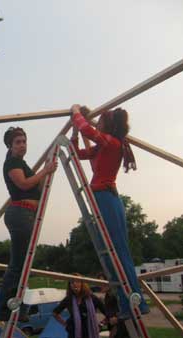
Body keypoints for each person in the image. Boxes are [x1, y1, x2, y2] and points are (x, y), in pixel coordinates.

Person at [70, 104, 149, 318]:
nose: (98, 123)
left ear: (108, 125)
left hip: (107, 198)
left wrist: (76, 112)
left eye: (101, 121)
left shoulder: (112, 143)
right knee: (114, 251)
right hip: (104, 198)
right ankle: (127, 302)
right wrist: (75, 129)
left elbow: (90, 131)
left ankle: (136, 302)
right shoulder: (103, 146)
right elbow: (77, 153)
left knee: (119, 251)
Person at [0, 126, 57, 321]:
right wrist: (45, 170)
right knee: (17, 265)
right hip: (20, 213)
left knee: (23, 265)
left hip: (26, 214)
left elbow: (33, 183)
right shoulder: (12, 162)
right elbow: (23, 184)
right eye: (18, 142)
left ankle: (16, 308)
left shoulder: (21, 163)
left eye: (24, 141)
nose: (22, 145)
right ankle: (5, 309)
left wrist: (45, 174)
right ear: (10, 146)